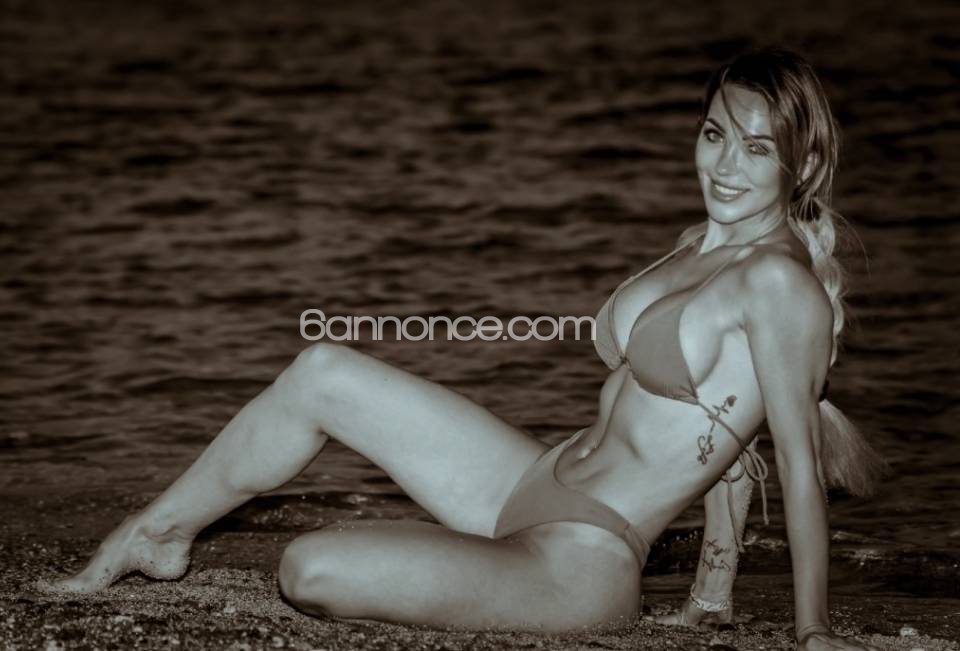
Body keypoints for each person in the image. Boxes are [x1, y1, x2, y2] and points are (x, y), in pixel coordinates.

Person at [45, 47, 883, 649]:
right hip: (532, 479)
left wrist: (812, 634)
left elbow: (794, 463)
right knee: (322, 370)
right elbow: (729, 442)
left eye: (757, 148)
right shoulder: (701, 243)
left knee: (310, 569)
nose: (726, 165)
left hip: (582, 560)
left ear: (800, 161)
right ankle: (155, 534)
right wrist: (712, 592)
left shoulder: (780, 286)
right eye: (713, 134)